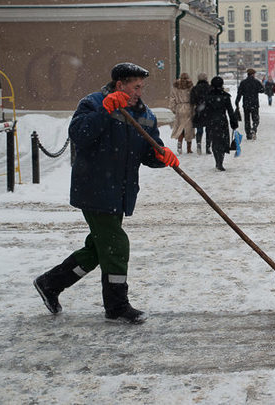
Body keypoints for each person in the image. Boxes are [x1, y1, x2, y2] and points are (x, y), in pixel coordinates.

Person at [33, 62, 179, 324]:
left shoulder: (144, 114)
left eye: (141, 87)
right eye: (135, 87)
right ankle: (117, 305)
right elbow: (79, 135)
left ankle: (50, 283)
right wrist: (105, 110)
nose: (139, 92)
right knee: (117, 245)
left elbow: (148, 151)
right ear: (119, 85)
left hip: (121, 191)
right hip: (94, 188)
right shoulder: (93, 102)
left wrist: (162, 155)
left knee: (100, 249)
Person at [204, 76, 238, 171]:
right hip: (222, 121)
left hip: (212, 121)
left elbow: (204, 110)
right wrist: (233, 122)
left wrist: (203, 120)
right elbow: (230, 111)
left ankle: (217, 161)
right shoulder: (225, 96)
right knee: (223, 141)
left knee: (215, 142)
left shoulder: (208, 96)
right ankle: (220, 162)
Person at [235, 68, 264, 140]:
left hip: (246, 104)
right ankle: (254, 129)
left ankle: (248, 134)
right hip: (254, 104)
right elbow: (262, 90)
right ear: (253, 74)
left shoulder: (243, 83)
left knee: (247, 120)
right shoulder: (256, 82)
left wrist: (237, 102)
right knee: (256, 119)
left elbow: (239, 94)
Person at [170, 72, 194, 154]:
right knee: (189, 129)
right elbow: (193, 98)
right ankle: (188, 148)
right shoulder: (190, 86)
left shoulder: (175, 87)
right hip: (188, 108)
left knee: (181, 129)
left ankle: (179, 145)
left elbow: (172, 98)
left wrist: (174, 109)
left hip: (179, 108)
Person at [190, 72, 211, 155]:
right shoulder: (210, 88)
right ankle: (208, 147)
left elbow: (192, 101)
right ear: (206, 79)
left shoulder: (194, 89)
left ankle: (198, 143)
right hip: (208, 111)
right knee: (208, 130)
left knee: (199, 129)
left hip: (199, 110)